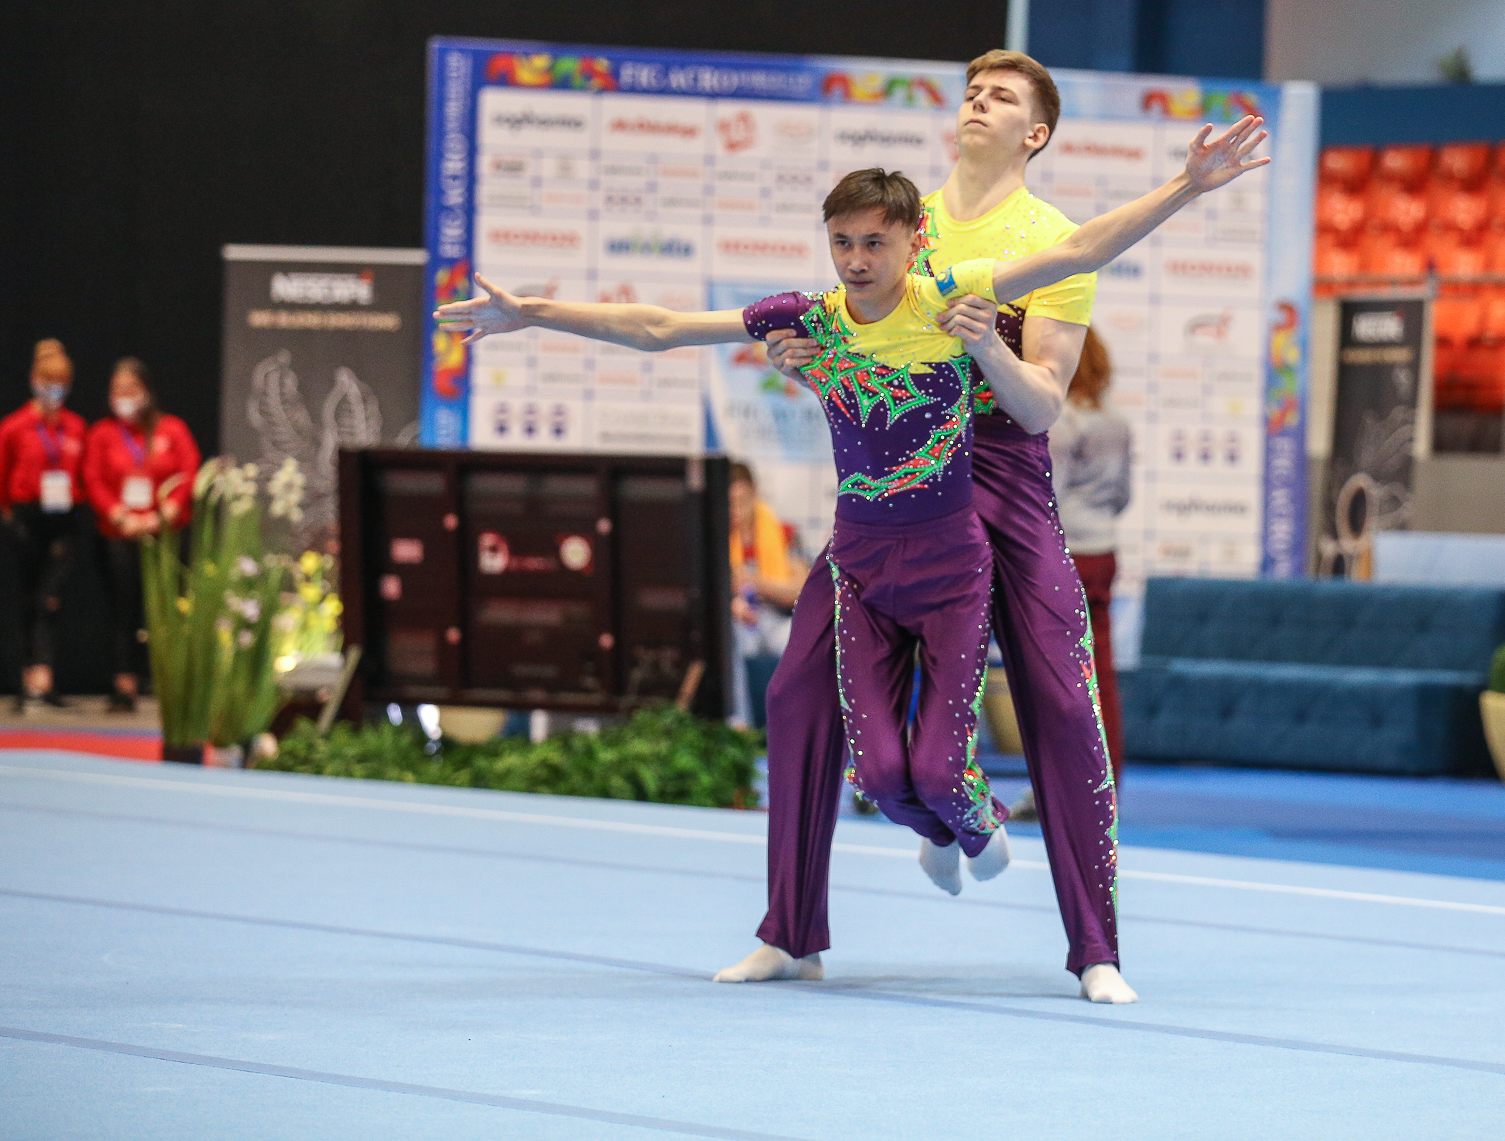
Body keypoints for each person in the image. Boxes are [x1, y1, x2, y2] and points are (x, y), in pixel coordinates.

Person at [442, 118, 1267, 1004]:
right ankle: (827, 909)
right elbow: (659, 325)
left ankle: (1044, 896)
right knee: (867, 766)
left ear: (915, 242)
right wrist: (534, 312)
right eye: (843, 242)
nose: (858, 258)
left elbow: (1080, 250)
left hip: (956, 564)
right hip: (863, 566)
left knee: (959, 756)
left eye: (876, 242)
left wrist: (1186, 187)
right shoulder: (810, 320)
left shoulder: (951, 300)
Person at [748, 53, 1266, 1005]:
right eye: (971, 91)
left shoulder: (1051, 240)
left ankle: (1096, 948)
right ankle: (791, 932)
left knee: (1064, 705)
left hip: (1003, 477)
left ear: (1036, 133)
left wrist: (1185, 189)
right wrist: (806, 361)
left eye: (1002, 97)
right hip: (901, 480)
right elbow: (851, 340)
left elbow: (1040, 408)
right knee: (794, 689)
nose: (977, 102)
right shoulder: (900, 222)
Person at [1020, 327, 1130, 820]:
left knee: (1052, 681)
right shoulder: (1116, 420)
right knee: (1098, 676)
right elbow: (1122, 494)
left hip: (1063, 554)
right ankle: (1103, 789)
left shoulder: (1058, 421)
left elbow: (1046, 496)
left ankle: (1056, 791)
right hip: (1103, 551)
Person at [83, 359, 201, 711]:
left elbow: (189, 471)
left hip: (165, 533)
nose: (124, 397)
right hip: (120, 533)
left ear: (147, 391)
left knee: (169, 607)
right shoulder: (103, 433)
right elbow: (92, 478)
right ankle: (124, 683)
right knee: (123, 608)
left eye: (131, 390)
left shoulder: (171, 429)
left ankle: (171, 681)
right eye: (117, 391)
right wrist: (119, 515)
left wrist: (164, 514)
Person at [0, 339, 89, 712]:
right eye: (47, 381)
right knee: (29, 598)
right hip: (27, 516)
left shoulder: (76, 427)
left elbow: (85, 476)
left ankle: (44, 676)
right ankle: (27, 679)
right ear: (34, 380)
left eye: (60, 382)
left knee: (51, 597)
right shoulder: (13, 427)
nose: (53, 389)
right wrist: (8, 512)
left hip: (65, 517)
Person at [726, 460, 808, 728]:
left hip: (776, 620)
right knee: (729, 637)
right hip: (738, 623)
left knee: (808, 636)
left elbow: (800, 592)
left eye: (742, 501)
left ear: (754, 494)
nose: (736, 510)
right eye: (729, 503)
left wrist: (754, 581)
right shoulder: (714, 535)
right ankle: (739, 726)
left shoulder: (784, 534)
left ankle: (805, 729)